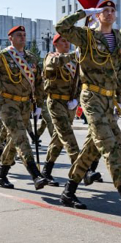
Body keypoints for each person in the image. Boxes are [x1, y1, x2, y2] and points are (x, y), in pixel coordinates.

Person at [55, 1, 121, 216]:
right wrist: (83, 12)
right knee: (108, 145)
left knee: (91, 148)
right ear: (97, 15)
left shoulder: (119, 39)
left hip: (109, 101)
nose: (109, 13)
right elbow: (61, 28)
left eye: (112, 10)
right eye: (104, 10)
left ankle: (69, 191)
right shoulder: (87, 36)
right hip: (92, 96)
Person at [0, 25, 48, 191]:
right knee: (21, 137)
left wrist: (38, 104)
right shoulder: (2, 56)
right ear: (10, 38)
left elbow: (38, 82)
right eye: (19, 35)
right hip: (7, 103)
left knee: (14, 140)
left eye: (24, 35)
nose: (22, 37)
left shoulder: (31, 58)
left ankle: (1, 174)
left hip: (25, 104)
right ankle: (35, 174)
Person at [41, 34, 81, 186]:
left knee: (58, 139)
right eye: (63, 41)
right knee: (67, 134)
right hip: (56, 101)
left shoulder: (74, 63)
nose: (67, 43)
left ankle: (46, 171)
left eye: (68, 40)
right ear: (55, 43)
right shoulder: (51, 57)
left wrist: (76, 98)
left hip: (69, 104)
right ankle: (82, 168)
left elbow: (79, 82)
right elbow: (53, 65)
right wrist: (73, 55)